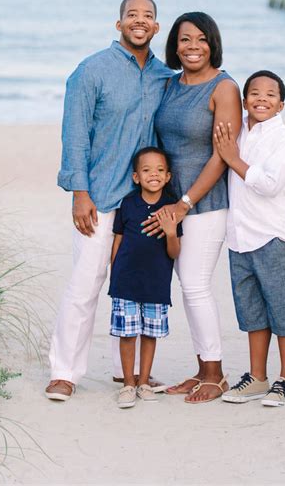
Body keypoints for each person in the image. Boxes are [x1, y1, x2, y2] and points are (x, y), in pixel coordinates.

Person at [45, 0, 173, 401]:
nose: (140, 21)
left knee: (136, 287)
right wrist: (79, 192)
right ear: (119, 25)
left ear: (156, 27)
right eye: (132, 15)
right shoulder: (91, 71)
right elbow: (75, 134)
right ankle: (64, 372)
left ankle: (130, 374)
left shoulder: (164, 77)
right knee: (85, 285)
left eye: (148, 16)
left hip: (143, 202)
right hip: (99, 197)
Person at [149, 11, 242, 403]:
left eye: (201, 39)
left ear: (212, 43)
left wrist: (187, 202)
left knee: (196, 285)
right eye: (185, 39)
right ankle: (203, 368)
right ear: (175, 45)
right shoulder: (170, 85)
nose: (192, 47)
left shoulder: (224, 88)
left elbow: (222, 156)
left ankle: (216, 373)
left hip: (205, 204)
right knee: (188, 288)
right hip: (172, 205)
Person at [214, 70, 285, 406]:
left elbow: (269, 184)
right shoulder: (238, 130)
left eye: (270, 94)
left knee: (283, 310)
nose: (261, 99)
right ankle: (257, 377)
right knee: (252, 311)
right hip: (239, 236)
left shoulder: (283, 138)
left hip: (272, 234)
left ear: (281, 105)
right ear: (244, 100)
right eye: (254, 93)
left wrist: (233, 160)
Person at [108, 147, 182, 408]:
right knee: (127, 334)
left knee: (149, 334)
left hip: (156, 283)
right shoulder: (128, 204)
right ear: (136, 177)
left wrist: (171, 232)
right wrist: (113, 272)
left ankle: (143, 382)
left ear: (168, 176)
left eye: (160, 170)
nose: (154, 175)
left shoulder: (171, 208)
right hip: (125, 281)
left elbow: (174, 253)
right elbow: (118, 239)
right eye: (147, 170)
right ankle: (128, 383)